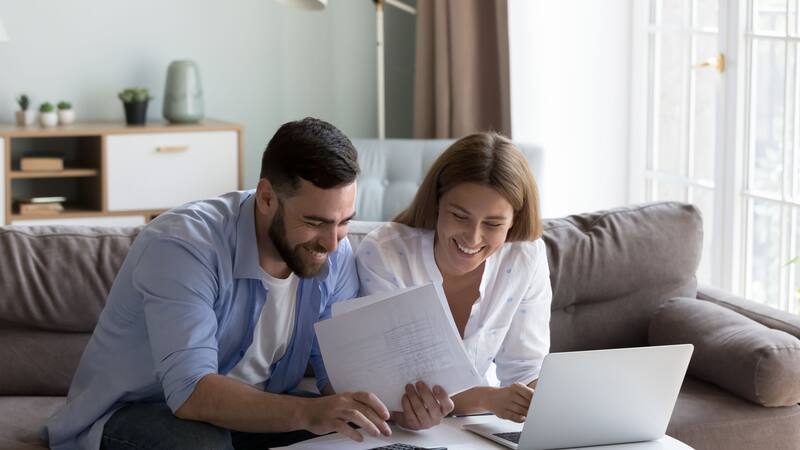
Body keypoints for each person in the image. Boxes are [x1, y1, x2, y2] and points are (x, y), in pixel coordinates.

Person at [46, 118, 398, 450]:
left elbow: (339, 375)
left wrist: (391, 406)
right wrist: (309, 413)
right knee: (203, 446)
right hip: (140, 411)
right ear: (266, 198)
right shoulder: (183, 246)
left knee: (356, 432)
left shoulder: (333, 252)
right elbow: (190, 393)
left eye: (343, 222)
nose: (332, 243)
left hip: (255, 412)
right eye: (315, 222)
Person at [356, 131, 552, 430]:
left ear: (514, 221)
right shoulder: (385, 254)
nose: (473, 238)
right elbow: (396, 385)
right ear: (437, 203)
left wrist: (551, 397)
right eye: (460, 216)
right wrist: (490, 399)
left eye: (493, 224)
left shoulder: (525, 256)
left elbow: (525, 369)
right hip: (398, 431)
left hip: (473, 429)